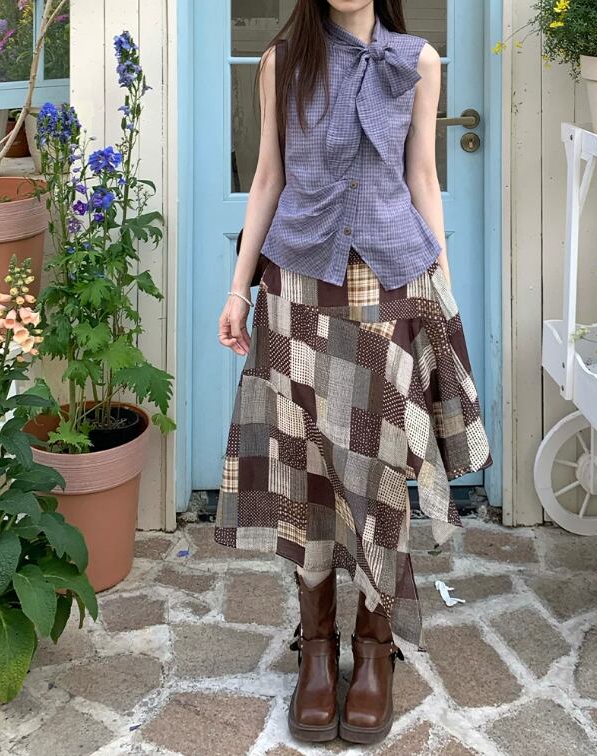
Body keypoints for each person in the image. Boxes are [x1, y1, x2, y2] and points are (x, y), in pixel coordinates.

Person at [215, 0, 491, 745]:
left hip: (390, 286)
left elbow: (422, 176)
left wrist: (444, 290)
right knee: (306, 471)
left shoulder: (417, 61)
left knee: (378, 467)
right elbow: (267, 178)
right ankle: (315, 645)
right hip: (298, 289)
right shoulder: (281, 63)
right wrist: (240, 290)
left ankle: (374, 644)